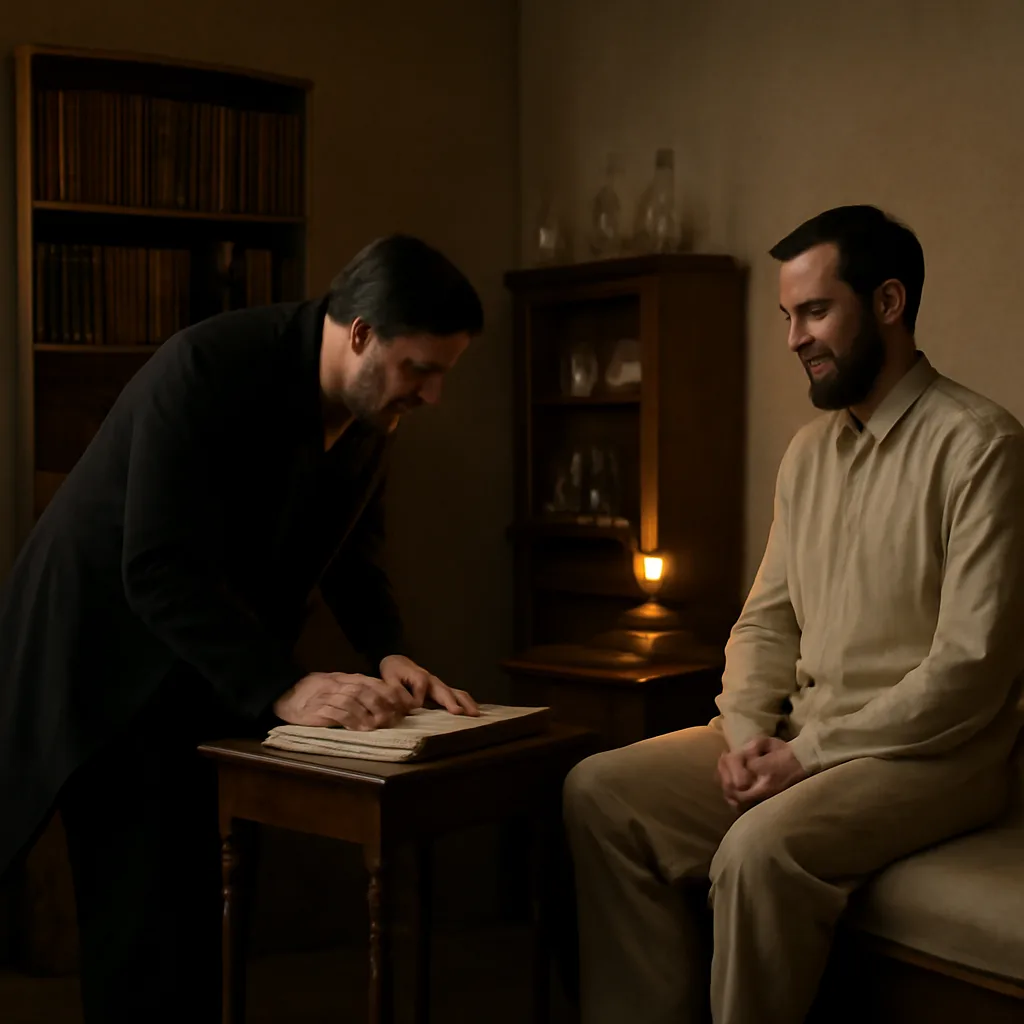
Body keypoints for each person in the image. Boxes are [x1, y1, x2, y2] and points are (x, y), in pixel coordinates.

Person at [0, 234, 483, 1022]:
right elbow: (156, 567)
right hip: (102, 661)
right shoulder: (207, 367)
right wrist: (285, 686)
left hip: (210, 662)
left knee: (202, 927)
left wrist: (388, 649)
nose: (431, 396)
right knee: (140, 932)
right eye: (419, 369)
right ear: (361, 333)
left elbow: (353, 551)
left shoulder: (372, 410)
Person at [564, 205, 1024, 1024]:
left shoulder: (982, 447)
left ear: (889, 303)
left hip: (933, 759)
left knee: (757, 850)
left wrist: (806, 757)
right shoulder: (808, 454)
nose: (794, 338)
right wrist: (747, 737)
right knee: (600, 791)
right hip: (801, 738)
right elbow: (765, 625)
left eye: (814, 311)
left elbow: (970, 670)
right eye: (787, 316)